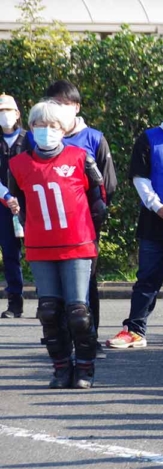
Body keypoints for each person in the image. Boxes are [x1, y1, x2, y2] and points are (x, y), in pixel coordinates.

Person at [7, 99, 106, 388]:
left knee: (78, 312)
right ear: (31, 127)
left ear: (63, 129)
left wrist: (89, 235)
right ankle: (61, 368)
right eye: (40, 124)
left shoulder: (81, 158)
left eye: (53, 125)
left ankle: (85, 368)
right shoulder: (18, 164)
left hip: (77, 244)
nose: (46, 130)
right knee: (49, 311)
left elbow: (98, 204)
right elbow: (21, 204)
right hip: (40, 246)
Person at [106, 93, 163, 350]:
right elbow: (140, 177)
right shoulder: (149, 138)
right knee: (147, 279)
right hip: (154, 222)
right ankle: (135, 329)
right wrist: (157, 207)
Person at [42, 80, 117, 358]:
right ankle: (60, 338)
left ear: (76, 107)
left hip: (83, 224)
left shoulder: (94, 138)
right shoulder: (40, 138)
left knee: (85, 282)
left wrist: (91, 213)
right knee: (52, 286)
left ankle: (89, 338)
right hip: (49, 224)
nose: (58, 109)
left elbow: (107, 185)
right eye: (53, 103)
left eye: (64, 104)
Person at [0, 94, 28, 318]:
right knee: (10, 253)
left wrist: (20, 197)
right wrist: (8, 196)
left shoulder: (31, 139)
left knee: (39, 252)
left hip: (30, 202)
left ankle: (47, 301)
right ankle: (15, 302)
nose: (4, 115)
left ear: (17, 113)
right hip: (3, 203)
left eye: (7, 110)